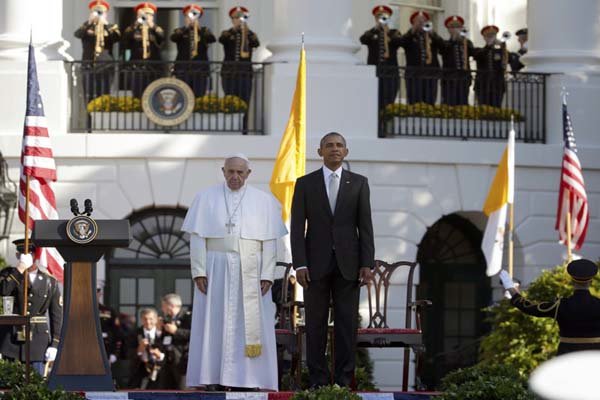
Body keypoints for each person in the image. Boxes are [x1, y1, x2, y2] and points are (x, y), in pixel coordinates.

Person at [182, 154, 287, 391]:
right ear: (223, 171)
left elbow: (270, 241)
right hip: (215, 267)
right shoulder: (205, 198)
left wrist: (268, 274)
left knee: (250, 325)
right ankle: (212, 376)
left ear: (248, 174)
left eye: (240, 172)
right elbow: (197, 237)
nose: (235, 176)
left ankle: (251, 379)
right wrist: (199, 270)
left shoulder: (264, 201)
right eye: (230, 171)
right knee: (214, 319)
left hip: (252, 268)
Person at [290, 132, 375, 387]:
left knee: (346, 327)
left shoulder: (359, 183)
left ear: (346, 152)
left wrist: (366, 264)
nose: (334, 149)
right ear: (320, 152)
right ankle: (317, 382)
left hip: (349, 267)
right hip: (314, 267)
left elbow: (366, 226)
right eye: (329, 145)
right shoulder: (305, 183)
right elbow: (297, 228)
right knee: (315, 326)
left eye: (339, 146)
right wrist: (300, 263)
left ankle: (343, 382)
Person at [500, 259, 600, 355]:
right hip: (594, 356)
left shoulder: (560, 305)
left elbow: (529, 307)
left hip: (568, 355)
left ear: (572, 282)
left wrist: (511, 288)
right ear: (590, 282)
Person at [0, 239, 62, 376]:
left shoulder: (49, 281)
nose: (26, 255)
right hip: (11, 341)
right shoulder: (8, 274)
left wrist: (55, 344)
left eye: (30, 252)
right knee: (9, 386)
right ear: (18, 255)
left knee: (35, 386)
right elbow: (3, 291)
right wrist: (20, 268)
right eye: (22, 253)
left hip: (37, 343)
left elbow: (56, 316)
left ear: (37, 255)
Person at [74, 0, 121, 102]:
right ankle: (89, 117)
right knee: (88, 93)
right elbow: (77, 34)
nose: (98, 14)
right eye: (96, 12)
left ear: (106, 14)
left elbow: (117, 38)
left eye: (101, 12)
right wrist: (89, 22)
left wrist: (106, 24)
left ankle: (101, 116)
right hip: (88, 64)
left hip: (106, 64)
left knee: (104, 93)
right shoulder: (87, 26)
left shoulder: (111, 27)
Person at [359, 5, 403, 110]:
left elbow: (400, 42)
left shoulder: (394, 33)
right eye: (378, 16)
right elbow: (363, 40)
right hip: (375, 72)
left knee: (389, 100)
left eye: (383, 16)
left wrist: (387, 32)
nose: (381, 18)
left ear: (389, 18)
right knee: (375, 101)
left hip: (390, 72)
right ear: (375, 18)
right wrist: (376, 28)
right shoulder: (371, 33)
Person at [170, 4, 217, 97]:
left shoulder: (204, 31)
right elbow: (173, 38)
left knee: (199, 96)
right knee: (183, 97)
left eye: (194, 15)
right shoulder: (180, 30)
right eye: (188, 16)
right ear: (185, 18)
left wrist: (198, 29)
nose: (191, 18)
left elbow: (212, 39)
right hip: (183, 70)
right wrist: (187, 28)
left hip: (200, 71)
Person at [398, 10, 444, 105]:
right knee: (414, 102)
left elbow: (443, 45)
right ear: (413, 23)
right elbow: (401, 42)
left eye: (423, 20)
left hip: (431, 74)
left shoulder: (432, 36)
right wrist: (412, 30)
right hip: (414, 75)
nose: (421, 23)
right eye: (418, 21)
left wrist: (432, 33)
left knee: (430, 101)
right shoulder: (410, 37)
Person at [121, 2, 165, 98]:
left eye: (149, 15)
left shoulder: (156, 29)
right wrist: (135, 25)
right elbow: (125, 43)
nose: (146, 17)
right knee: (137, 94)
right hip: (137, 66)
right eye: (143, 15)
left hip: (154, 66)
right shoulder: (133, 29)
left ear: (152, 17)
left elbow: (162, 38)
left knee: (153, 94)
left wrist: (152, 26)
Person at [219, 7, 260, 105]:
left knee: (245, 101)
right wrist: (235, 29)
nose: (239, 20)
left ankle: (244, 121)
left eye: (241, 17)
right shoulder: (227, 33)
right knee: (230, 102)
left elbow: (256, 44)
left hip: (245, 73)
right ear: (232, 20)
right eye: (236, 17)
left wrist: (246, 31)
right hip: (229, 73)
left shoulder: (250, 34)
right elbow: (222, 40)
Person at [128, 307, 167, 389]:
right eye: (145, 319)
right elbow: (128, 353)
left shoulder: (164, 333)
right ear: (141, 320)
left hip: (160, 373)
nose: (148, 322)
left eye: (151, 319)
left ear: (156, 319)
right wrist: (139, 350)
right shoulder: (134, 333)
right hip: (139, 372)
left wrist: (160, 355)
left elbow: (171, 354)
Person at [439, 15, 474, 105]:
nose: (456, 29)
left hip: (464, 78)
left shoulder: (467, 43)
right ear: (448, 29)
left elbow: (473, 52)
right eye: (453, 27)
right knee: (449, 103)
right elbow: (443, 50)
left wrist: (462, 38)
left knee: (463, 103)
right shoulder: (445, 43)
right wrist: (454, 39)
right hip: (449, 79)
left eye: (458, 27)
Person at [159, 293, 191, 390]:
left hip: (181, 361)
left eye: (163, 306)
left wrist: (176, 331)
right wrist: (159, 330)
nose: (162, 309)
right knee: (166, 391)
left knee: (182, 391)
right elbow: (164, 339)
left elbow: (194, 335)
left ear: (171, 306)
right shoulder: (167, 319)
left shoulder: (187, 317)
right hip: (168, 360)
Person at [472, 25, 507, 107]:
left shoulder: (500, 51)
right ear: (484, 37)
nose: (491, 37)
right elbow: (477, 56)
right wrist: (489, 46)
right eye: (488, 36)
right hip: (482, 85)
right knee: (483, 109)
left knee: (497, 109)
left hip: (497, 85)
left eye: (493, 35)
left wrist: (503, 47)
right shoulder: (479, 50)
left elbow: (508, 60)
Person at [97, 286, 121, 367]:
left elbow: (117, 333)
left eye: (97, 291)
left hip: (105, 349)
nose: (94, 294)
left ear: (100, 293)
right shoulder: (81, 310)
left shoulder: (108, 311)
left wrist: (115, 353)